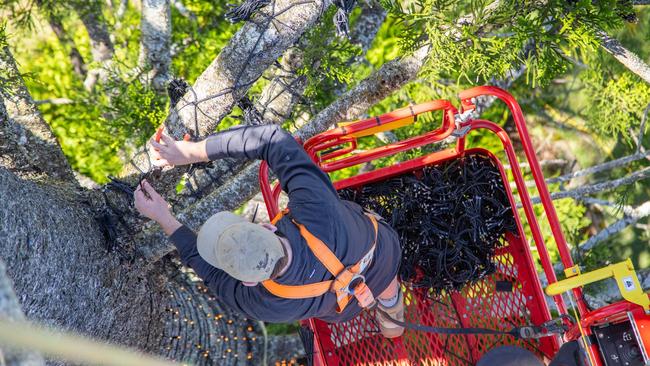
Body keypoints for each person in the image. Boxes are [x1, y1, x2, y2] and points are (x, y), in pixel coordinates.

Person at [134, 124, 405, 338]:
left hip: (346, 307)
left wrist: (163, 217)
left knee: (355, 286)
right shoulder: (316, 210)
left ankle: (392, 316)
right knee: (381, 265)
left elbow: (207, 270)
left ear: (250, 281)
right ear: (265, 227)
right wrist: (191, 152)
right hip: (384, 253)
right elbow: (270, 138)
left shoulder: (262, 303)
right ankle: (391, 302)